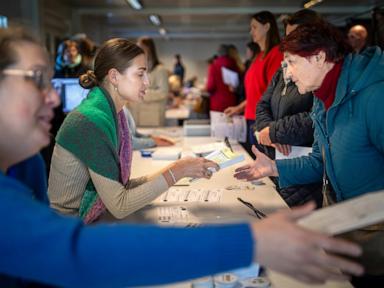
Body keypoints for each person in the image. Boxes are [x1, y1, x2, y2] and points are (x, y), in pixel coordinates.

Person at [0, 27, 364, 287]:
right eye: (35, 79)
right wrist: (250, 241)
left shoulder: (27, 163)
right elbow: (75, 251)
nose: (52, 97)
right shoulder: (89, 120)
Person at [234, 21, 384, 287]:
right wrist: (274, 168)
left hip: (374, 236)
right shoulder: (322, 95)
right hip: (343, 227)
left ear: (319, 57)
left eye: (291, 63)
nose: (288, 74)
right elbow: (320, 161)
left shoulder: (374, 97)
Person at [48, 38, 218, 224]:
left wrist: (179, 168)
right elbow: (120, 205)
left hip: (85, 220)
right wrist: (178, 171)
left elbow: (123, 188)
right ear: (114, 77)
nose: (147, 82)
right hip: (69, 227)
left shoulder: (111, 112)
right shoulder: (91, 120)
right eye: (140, 74)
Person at [255, 9, 324, 207]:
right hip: (279, 159)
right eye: (288, 35)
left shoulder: (318, 73)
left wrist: (275, 132)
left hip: (304, 164)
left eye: (296, 35)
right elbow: (262, 104)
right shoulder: (283, 69)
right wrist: (269, 131)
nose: (290, 41)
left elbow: (316, 117)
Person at [224, 11, 283, 155]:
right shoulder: (259, 56)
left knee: (264, 168)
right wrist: (239, 107)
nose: (251, 31)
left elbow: (274, 94)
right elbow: (255, 92)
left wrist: (270, 126)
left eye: (254, 27)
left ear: (267, 27)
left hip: (263, 122)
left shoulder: (276, 54)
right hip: (251, 119)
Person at [128, 37, 169, 126]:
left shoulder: (160, 70)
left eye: (141, 48)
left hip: (153, 117)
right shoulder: (138, 69)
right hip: (137, 115)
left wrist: (140, 93)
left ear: (149, 50)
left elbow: (163, 93)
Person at [206, 44, 239, 112]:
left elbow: (210, 87)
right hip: (232, 101)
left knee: (218, 122)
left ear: (218, 53)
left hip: (217, 102)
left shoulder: (214, 66)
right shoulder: (235, 65)